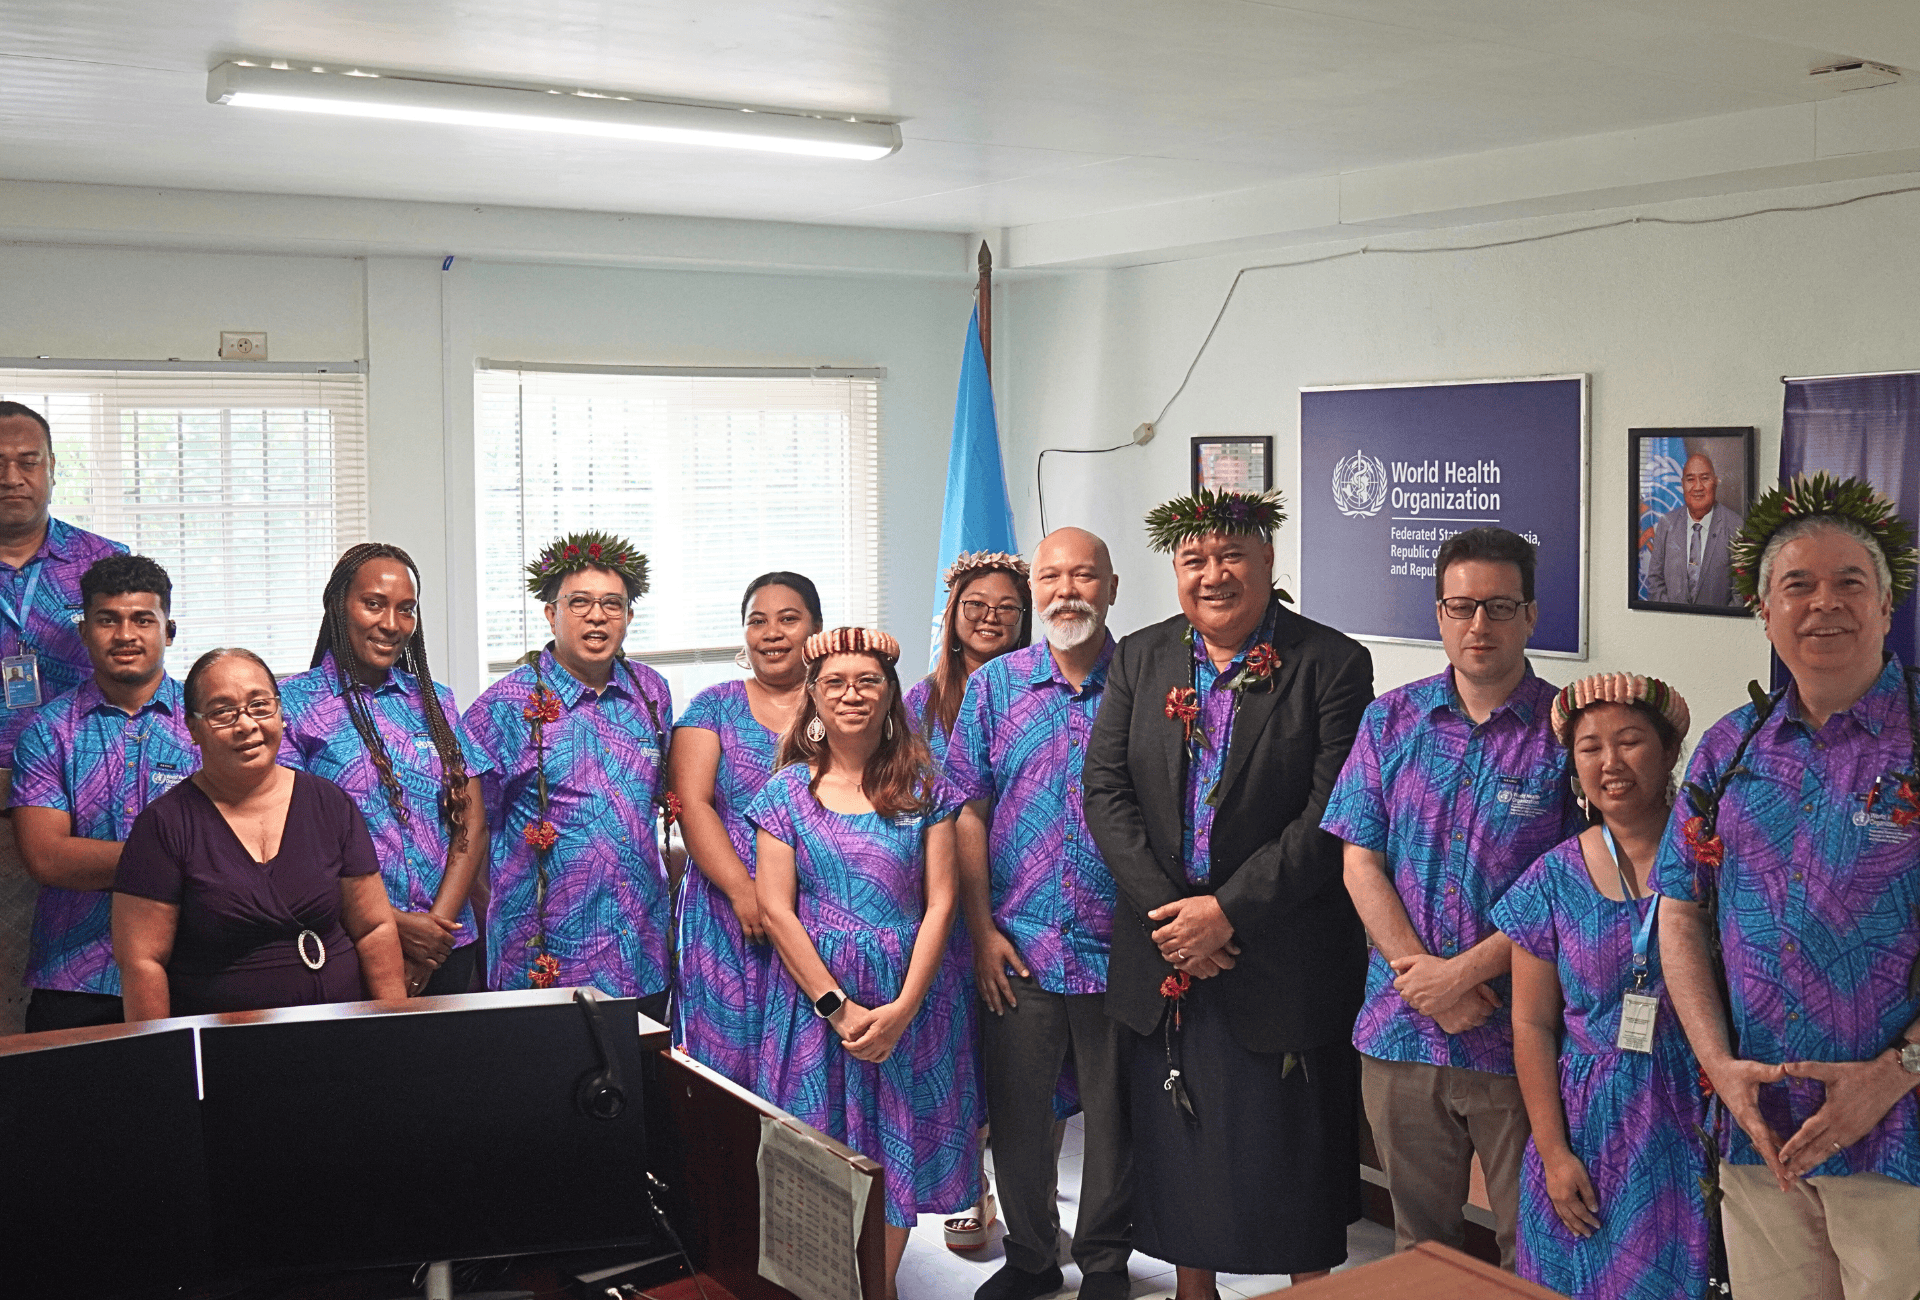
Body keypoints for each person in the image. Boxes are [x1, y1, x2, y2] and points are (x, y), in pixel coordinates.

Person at [1085, 489, 1374, 1295]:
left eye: (1231, 557)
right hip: (1167, 949)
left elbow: (1330, 813)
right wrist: (1173, 919)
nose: (1213, 575)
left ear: (1269, 562)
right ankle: (1193, 1286)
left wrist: (1226, 913)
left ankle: (1309, 1286)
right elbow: (1105, 793)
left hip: (1278, 948)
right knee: (1182, 1143)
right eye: (1194, 560)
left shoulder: (1332, 663)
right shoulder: (1140, 658)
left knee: (1290, 1151)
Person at [1655, 472, 1920, 1300]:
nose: (1824, 604)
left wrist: (1898, 1069)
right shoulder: (1729, 751)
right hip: (1759, 1134)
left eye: (1851, 582)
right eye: (1797, 585)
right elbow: (1678, 912)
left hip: (1901, 1137)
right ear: (1764, 612)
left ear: (1886, 605)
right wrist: (1719, 1067)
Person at [1324, 525, 1581, 1268]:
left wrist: (1463, 975)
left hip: (1516, 1039)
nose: (1479, 626)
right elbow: (1359, 862)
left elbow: (1572, 892)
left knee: (1531, 1244)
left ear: (1532, 615)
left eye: (1500, 607)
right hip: (1400, 1030)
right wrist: (1426, 981)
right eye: (1462, 606)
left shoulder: (1569, 734)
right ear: (1438, 613)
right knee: (1420, 1249)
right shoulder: (1390, 721)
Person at [749, 626, 982, 1300]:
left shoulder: (923, 785)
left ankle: (878, 1289)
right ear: (814, 700)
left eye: (867, 682)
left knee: (894, 1154)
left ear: (889, 698)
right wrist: (837, 1006)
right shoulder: (786, 793)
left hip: (911, 1001)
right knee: (818, 1151)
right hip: (815, 1007)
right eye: (834, 684)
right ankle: (825, 1287)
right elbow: (777, 910)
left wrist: (903, 1009)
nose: (851, 695)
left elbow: (942, 903)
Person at [947, 527, 1131, 1300]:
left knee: (1118, 1125)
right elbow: (967, 810)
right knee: (1019, 1120)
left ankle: (1106, 1266)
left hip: (1122, 949)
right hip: (1017, 947)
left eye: (1083, 576)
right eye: (1050, 576)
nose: (1066, 591)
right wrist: (982, 931)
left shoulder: (1149, 680)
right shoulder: (996, 687)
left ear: (1111, 588)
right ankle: (1029, 1257)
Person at [1492, 673, 1710, 1300]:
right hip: (1586, 1130)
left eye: (1631, 741)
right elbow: (1531, 1025)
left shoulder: (1714, 860)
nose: (1610, 763)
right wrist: (1554, 1154)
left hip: (1692, 1114)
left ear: (1669, 753)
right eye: (1590, 747)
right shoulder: (1552, 878)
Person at [111, 648, 406, 1017]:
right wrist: (164, 1064)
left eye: (260, 706)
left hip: (342, 1036)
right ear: (193, 728)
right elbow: (142, 962)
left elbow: (374, 929)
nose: (246, 724)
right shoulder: (164, 825)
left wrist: (396, 1029)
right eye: (222, 712)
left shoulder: (330, 804)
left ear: (281, 713)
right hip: (224, 1052)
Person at [465, 532, 674, 1021]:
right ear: (550, 613)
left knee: (639, 1090)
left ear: (628, 616)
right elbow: (470, 834)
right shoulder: (503, 707)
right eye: (578, 602)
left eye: (612, 604)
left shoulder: (652, 693)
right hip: (543, 963)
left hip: (640, 952)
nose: (597, 616)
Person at [280, 543, 491, 999]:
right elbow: (289, 848)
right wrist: (393, 927)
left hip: (448, 946)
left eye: (406, 609)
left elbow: (471, 822)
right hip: (348, 946)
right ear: (338, 605)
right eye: (374, 604)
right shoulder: (291, 708)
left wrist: (433, 935)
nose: (392, 624)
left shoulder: (437, 702)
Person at [12, 555, 193, 1031]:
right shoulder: (48, 732)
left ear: (168, 631)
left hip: (191, 968)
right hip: (74, 977)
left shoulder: (206, 724)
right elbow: (47, 858)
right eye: (107, 619)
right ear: (84, 631)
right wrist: (180, 861)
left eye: (142, 619)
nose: (126, 635)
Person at [669, 570, 823, 1088]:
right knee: (725, 1076)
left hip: (822, 915)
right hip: (729, 913)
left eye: (788, 619)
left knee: (809, 1068)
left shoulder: (843, 700)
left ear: (816, 629)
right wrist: (743, 890)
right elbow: (692, 804)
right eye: (758, 621)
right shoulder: (713, 705)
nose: (772, 632)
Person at [0, 402, 128, 783]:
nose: (11, 477)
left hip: (87, 773)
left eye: (28, 461)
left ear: (52, 468)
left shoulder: (105, 561)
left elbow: (141, 670)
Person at [907, 551, 1031, 766]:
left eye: (1006, 607)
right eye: (976, 604)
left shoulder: (1042, 695)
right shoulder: (920, 700)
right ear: (953, 610)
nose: (990, 617)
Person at [1644, 451, 1742, 607]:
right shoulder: (1666, 523)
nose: (1697, 487)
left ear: (1716, 482)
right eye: (1690, 479)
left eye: (1705, 478)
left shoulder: (1736, 526)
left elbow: (1741, 594)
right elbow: (1655, 581)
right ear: (1682, 484)